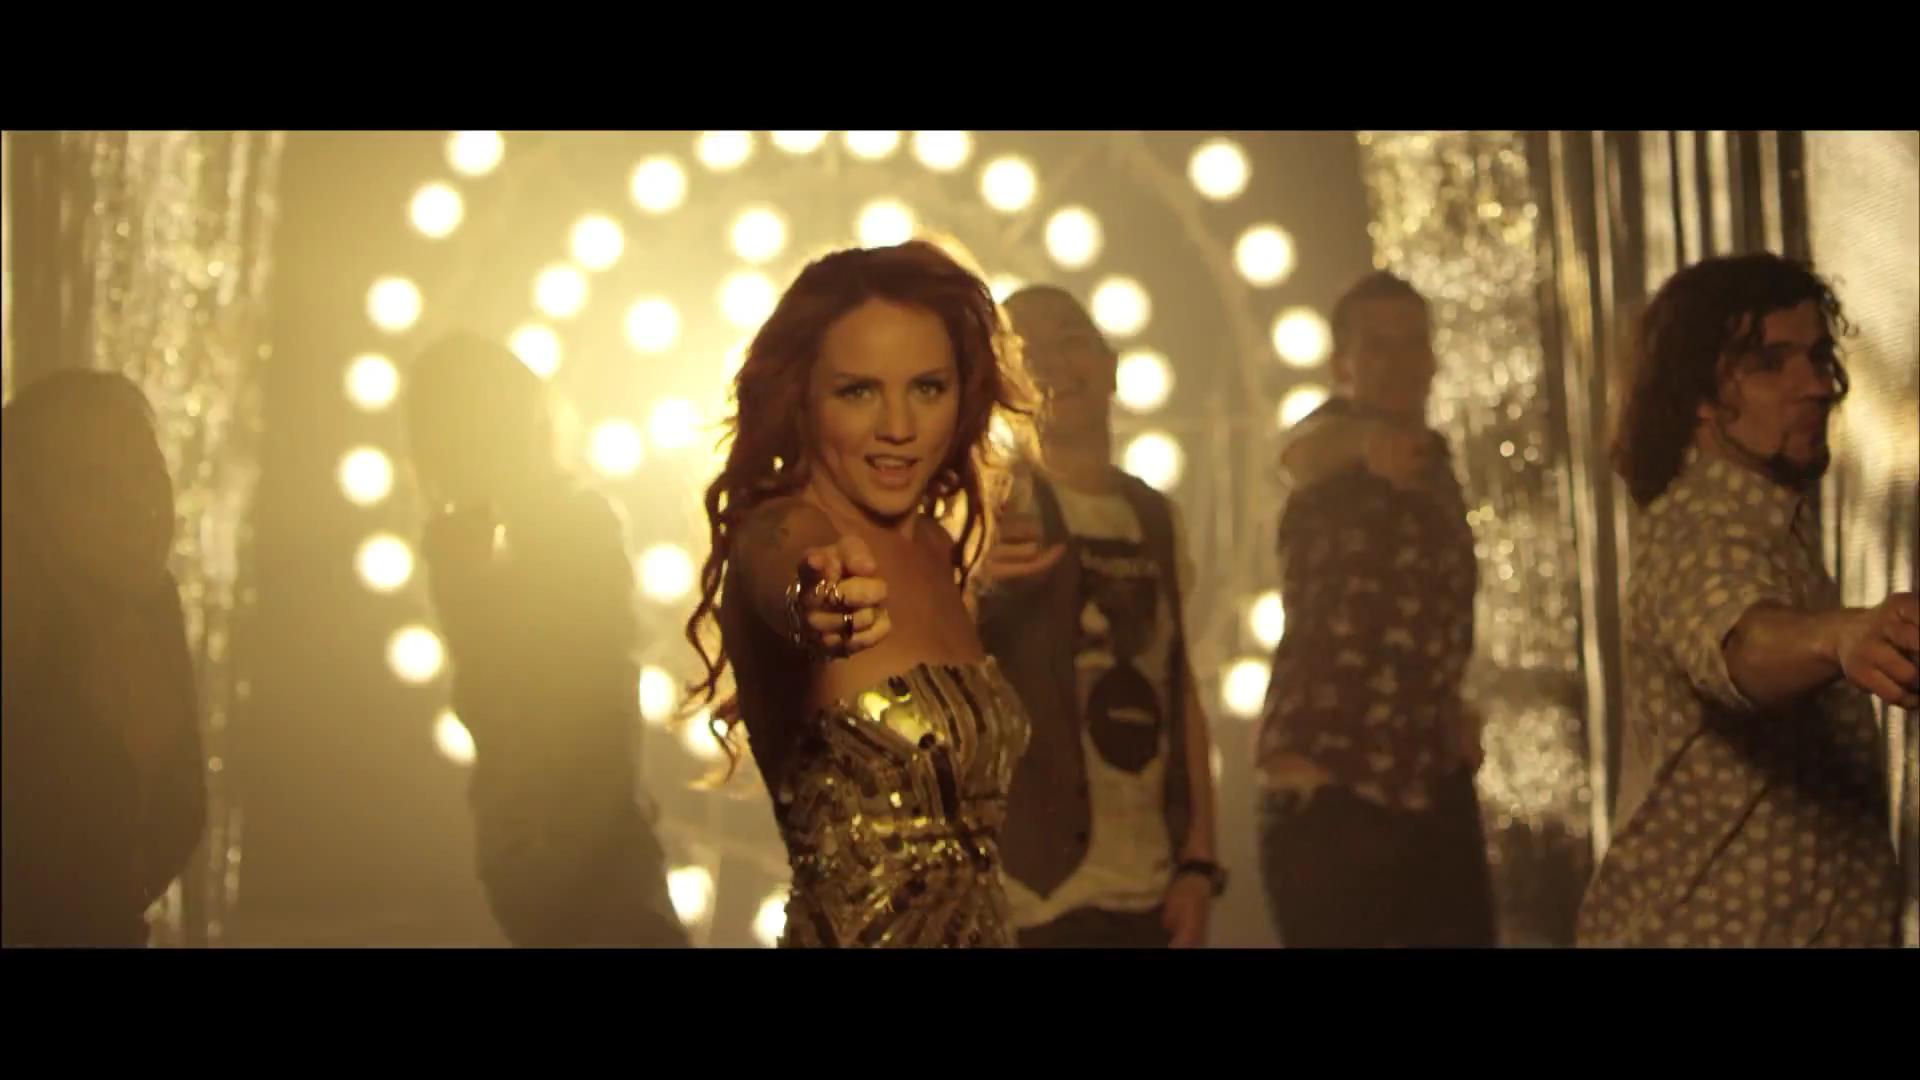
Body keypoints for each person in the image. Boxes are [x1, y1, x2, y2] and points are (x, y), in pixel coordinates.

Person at [684, 240, 1036, 948]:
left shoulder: (935, 548)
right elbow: (783, 563)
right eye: (858, 391)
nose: (898, 428)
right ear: (802, 400)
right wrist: (812, 598)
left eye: (927, 388)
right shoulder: (781, 527)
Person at [1577, 253, 1910, 947]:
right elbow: (1740, 643)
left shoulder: (1770, 520)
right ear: (1698, 394)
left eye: (1817, 357)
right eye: (1769, 364)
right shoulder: (1702, 527)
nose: (1814, 386)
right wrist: (1837, 638)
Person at [404, 332, 684, 948]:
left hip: (563, 825)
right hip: (552, 826)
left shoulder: (562, 528)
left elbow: (587, 686)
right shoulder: (478, 542)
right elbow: (516, 691)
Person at [974, 285, 1223, 948]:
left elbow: (1180, 689)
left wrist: (1199, 862)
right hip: (1033, 892)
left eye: (1070, 341)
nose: (1053, 364)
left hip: (1151, 883)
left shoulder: (1155, 517)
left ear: (1112, 365)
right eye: (1026, 352)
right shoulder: (986, 509)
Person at [1253, 271, 1497, 947]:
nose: (1398, 363)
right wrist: (1363, 447)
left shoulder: (1436, 465)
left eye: (1412, 343)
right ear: (1343, 365)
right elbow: (1298, 454)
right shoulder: (1334, 443)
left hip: (1427, 787)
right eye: (1377, 346)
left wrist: (1449, 703)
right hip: (1333, 793)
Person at [2, 370, 207, 947]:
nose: (137, 504)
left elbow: (176, 812)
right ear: (27, 502)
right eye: (96, 483)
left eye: (146, 471)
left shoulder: (153, 605)